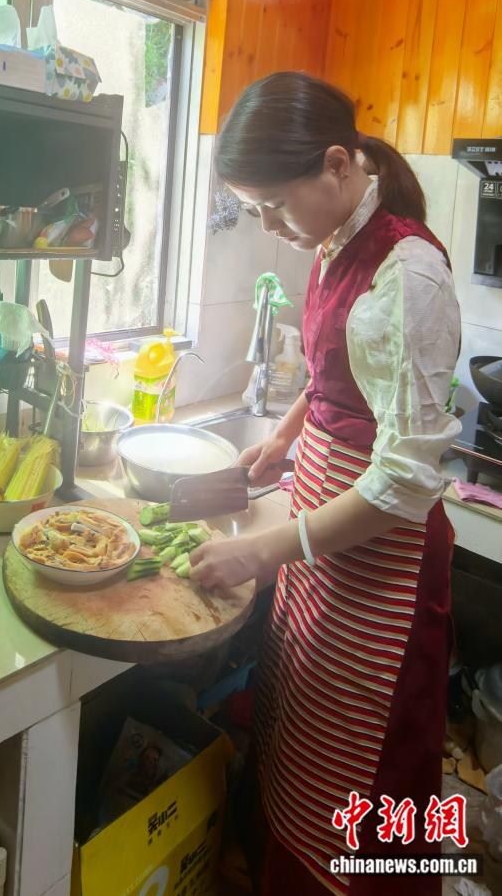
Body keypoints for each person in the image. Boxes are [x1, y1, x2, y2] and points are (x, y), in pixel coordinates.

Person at [189, 72, 461, 895]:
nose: (271, 228)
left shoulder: (409, 273)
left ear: (337, 165)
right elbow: (333, 369)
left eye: (274, 206)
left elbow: (405, 481)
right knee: (298, 747)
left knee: (361, 774)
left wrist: (262, 551)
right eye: (256, 210)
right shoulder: (339, 237)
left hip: (381, 566)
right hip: (325, 547)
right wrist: (282, 437)